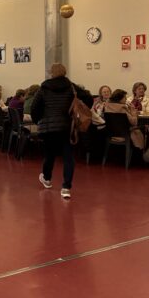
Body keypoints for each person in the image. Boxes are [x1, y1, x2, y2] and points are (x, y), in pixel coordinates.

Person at [31, 63, 93, 199]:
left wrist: (39, 121)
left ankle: (47, 178)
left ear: (51, 73)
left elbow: (34, 108)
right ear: (64, 72)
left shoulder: (43, 87)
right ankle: (66, 188)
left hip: (48, 127)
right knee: (68, 157)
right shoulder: (71, 86)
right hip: (67, 126)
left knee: (49, 155)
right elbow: (88, 99)